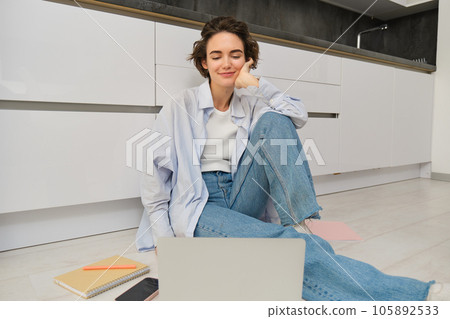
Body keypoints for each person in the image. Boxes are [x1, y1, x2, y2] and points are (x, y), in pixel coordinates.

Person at [135, 16, 447, 301]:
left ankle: (301, 219)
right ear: (204, 62)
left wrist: (258, 86)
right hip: (202, 204)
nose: (226, 64)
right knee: (287, 248)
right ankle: (416, 296)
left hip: (245, 189)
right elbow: (154, 172)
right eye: (216, 56)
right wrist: (165, 237)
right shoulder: (181, 104)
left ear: (248, 60)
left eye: (235, 55)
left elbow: (297, 116)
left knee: (275, 120)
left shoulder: (252, 100)